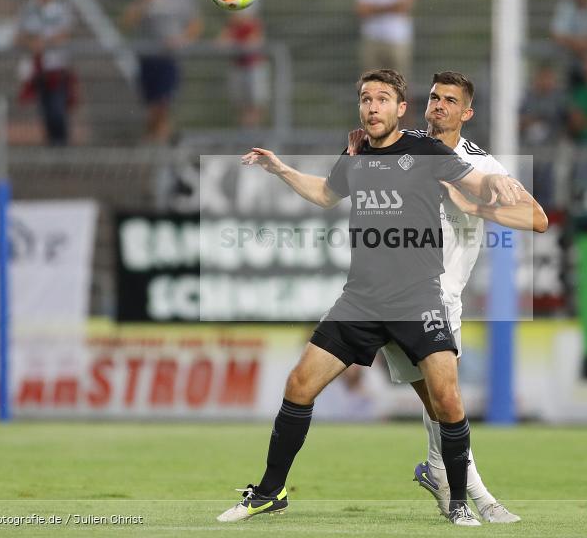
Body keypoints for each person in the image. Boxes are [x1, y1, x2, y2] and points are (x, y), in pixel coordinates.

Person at [218, 69, 523, 526]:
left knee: (448, 401)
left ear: (401, 109)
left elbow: (473, 182)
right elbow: (325, 194)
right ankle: (269, 491)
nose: (372, 106)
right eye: (366, 99)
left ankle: (458, 501)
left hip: (419, 299)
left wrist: (494, 187)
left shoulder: (427, 150)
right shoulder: (355, 153)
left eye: (382, 99)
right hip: (360, 300)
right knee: (299, 384)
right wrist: (280, 169)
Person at [348, 71, 547, 523]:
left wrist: (477, 206)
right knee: (440, 403)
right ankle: (461, 487)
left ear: (466, 112)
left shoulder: (481, 164)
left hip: (442, 296)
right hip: (394, 292)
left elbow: (537, 219)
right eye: (434, 97)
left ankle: (455, 483)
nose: (438, 105)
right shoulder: (405, 146)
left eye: (450, 100)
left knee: (443, 403)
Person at [122, 0, 202, 142]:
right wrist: (145, 1)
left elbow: (195, 25)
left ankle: (161, 140)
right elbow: (128, 21)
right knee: (150, 106)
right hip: (148, 58)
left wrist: (181, 40)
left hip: (168, 58)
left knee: (164, 103)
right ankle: (154, 139)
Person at [15, 0, 75, 146]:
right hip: (38, 67)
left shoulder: (61, 8)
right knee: (45, 110)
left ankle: (61, 144)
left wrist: (44, 42)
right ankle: (53, 146)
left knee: (58, 109)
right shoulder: (28, 9)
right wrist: (31, 42)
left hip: (56, 67)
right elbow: (18, 36)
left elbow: (64, 33)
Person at [217, 10, 270, 128]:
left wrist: (235, 43)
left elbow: (254, 42)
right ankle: (246, 131)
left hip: (253, 68)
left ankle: (254, 131)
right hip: (237, 68)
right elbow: (221, 44)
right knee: (240, 105)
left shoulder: (253, 25)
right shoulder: (231, 27)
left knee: (256, 104)